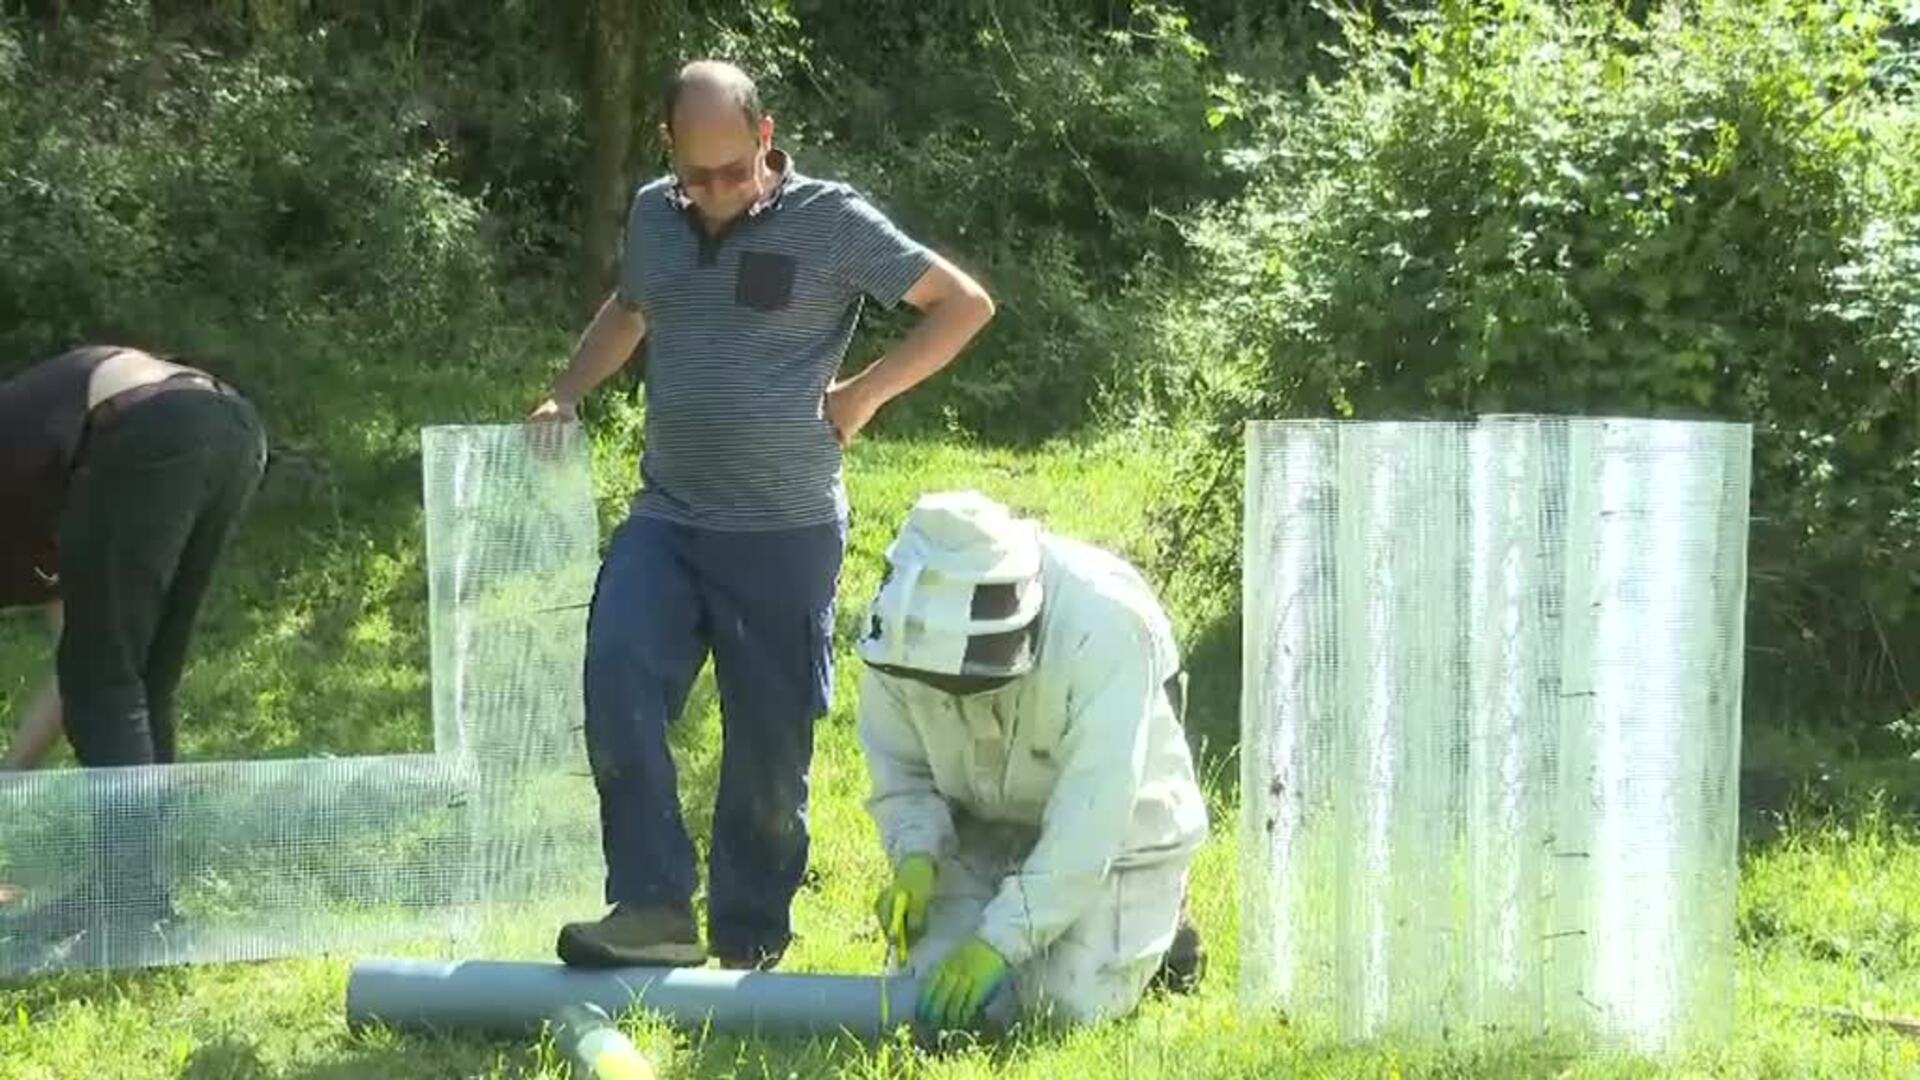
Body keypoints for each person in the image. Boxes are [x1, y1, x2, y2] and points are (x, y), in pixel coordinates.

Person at [535, 60, 996, 971]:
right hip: (668, 517)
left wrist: (863, 396)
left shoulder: (829, 221)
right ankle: (653, 905)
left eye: (733, 172)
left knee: (766, 752)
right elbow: (632, 309)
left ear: (766, 138)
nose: (712, 195)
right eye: (694, 175)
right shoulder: (653, 218)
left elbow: (962, 306)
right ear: (669, 151)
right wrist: (565, 393)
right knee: (618, 673)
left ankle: (750, 942)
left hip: (784, 534)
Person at [857, 491, 1210, 1032]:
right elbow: (901, 769)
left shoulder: (1103, 623)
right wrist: (916, 856)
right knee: (926, 988)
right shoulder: (900, 634)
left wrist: (1000, 942)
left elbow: (1093, 817)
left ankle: (1166, 928)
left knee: (1061, 1005)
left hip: (1121, 836)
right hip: (980, 825)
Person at [0, 344, 266, 945]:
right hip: (228, 428)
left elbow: (91, 681)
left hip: (146, 426)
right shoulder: (46, 515)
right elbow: (78, 671)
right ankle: (131, 895)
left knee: (111, 681)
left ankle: (130, 910)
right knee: (139, 679)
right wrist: (11, 776)